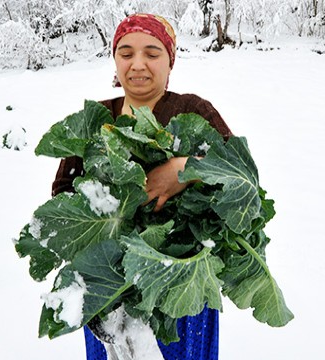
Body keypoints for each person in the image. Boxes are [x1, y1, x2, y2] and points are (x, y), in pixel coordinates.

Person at [50, 13, 233, 360]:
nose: (138, 65)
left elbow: (239, 171)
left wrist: (183, 169)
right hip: (110, 289)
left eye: (152, 53)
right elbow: (62, 194)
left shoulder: (192, 110)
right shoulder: (95, 119)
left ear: (170, 60)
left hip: (180, 286)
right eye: (126, 53)